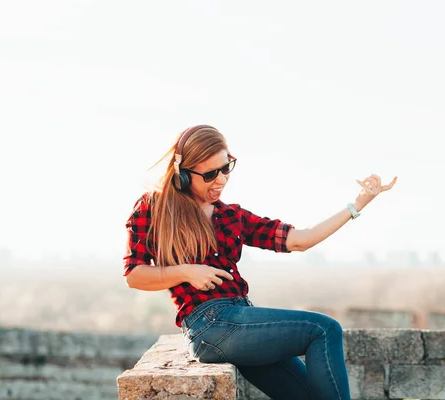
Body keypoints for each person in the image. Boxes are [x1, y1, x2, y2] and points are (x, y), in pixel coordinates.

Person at [123, 124, 397, 400]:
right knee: (324, 329)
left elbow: (300, 240)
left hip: (241, 320)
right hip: (209, 326)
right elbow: (135, 274)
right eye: (209, 174)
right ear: (183, 174)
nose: (220, 181)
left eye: (226, 168)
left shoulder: (232, 216)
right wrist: (187, 272)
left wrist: (356, 206)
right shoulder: (155, 207)